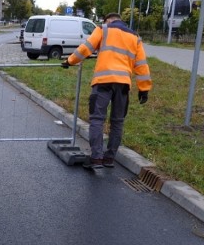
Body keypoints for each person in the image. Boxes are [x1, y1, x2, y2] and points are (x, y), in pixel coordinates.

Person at [61, 13, 152, 170]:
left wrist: (69, 61)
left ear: (107, 21)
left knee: (97, 119)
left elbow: (86, 49)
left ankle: (96, 158)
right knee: (117, 122)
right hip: (123, 84)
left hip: (103, 82)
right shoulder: (135, 37)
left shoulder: (103, 29)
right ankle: (109, 158)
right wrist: (144, 88)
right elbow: (141, 64)